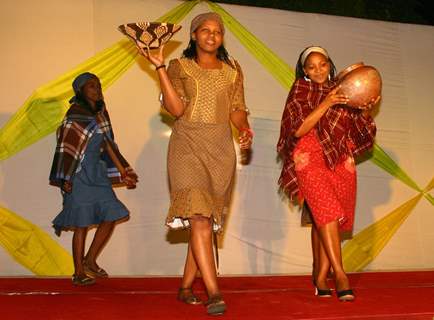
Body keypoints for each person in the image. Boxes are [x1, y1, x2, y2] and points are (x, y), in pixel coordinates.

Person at [137, 12, 252, 315]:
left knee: (203, 221)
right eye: (205, 30)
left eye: (217, 31)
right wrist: (160, 66)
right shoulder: (179, 66)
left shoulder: (233, 70)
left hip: (220, 150)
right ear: (194, 35)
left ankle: (186, 286)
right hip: (187, 146)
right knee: (199, 216)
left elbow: (237, 109)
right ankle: (214, 293)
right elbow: (176, 108)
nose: (212, 36)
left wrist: (245, 129)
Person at [277, 46, 378, 301]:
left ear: (330, 65)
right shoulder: (301, 89)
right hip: (308, 155)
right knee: (327, 212)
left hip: (341, 158)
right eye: (311, 66)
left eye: (322, 64)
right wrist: (326, 102)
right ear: (305, 71)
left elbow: (358, 132)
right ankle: (340, 274)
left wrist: (364, 109)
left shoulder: (344, 90)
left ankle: (320, 275)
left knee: (327, 218)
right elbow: (298, 129)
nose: (318, 70)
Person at [49, 72, 138, 286]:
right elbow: (65, 150)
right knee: (81, 224)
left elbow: (108, 145)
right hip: (79, 176)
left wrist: (124, 171)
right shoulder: (73, 116)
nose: (97, 89)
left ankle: (90, 260)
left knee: (113, 213)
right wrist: (66, 178)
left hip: (97, 174)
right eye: (91, 86)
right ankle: (78, 271)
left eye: (98, 85)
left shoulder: (100, 114)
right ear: (80, 91)